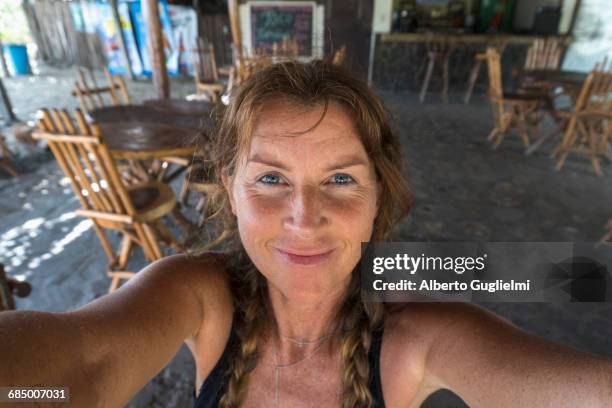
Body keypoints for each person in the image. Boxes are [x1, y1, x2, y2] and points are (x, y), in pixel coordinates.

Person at [1, 60, 611, 408]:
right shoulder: (199, 289)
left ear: (379, 195)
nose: (303, 215)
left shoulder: (419, 322)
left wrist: (584, 271)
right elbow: (73, 370)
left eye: (340, 179)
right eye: (270, 177)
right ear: (230, 190)